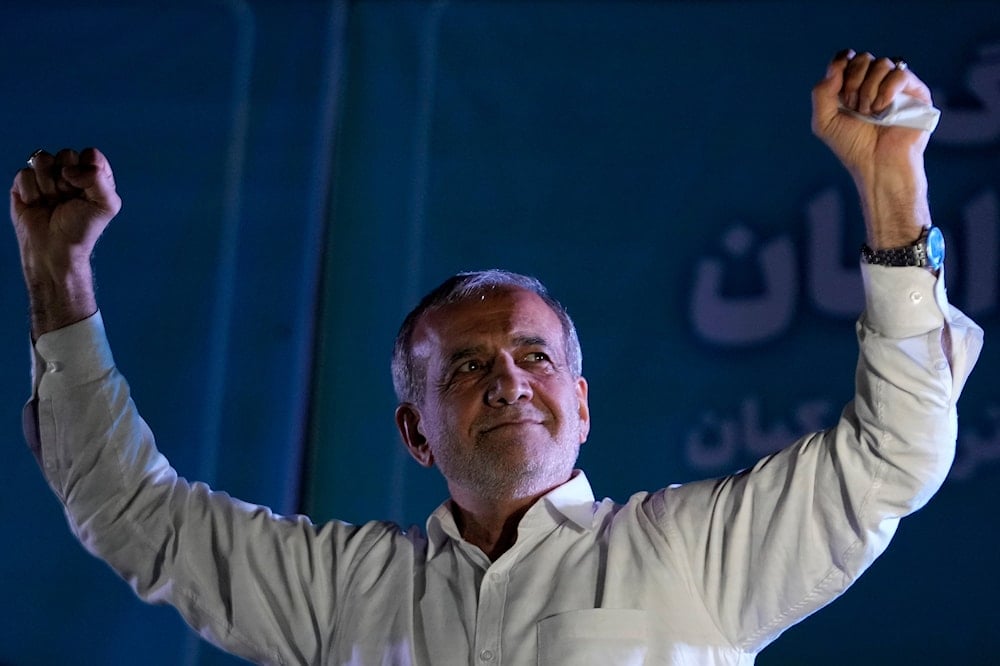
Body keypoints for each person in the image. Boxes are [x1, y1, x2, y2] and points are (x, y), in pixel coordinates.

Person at [11, 50, 982, 665]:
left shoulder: (692, 557)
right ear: (414, 430)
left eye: (532, 355)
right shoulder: (339, 592)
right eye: (467, 367)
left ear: (583, 405)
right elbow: (130, 512)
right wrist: (61, 277)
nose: (507, 379)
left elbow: (896, 452)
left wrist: (891, 184)